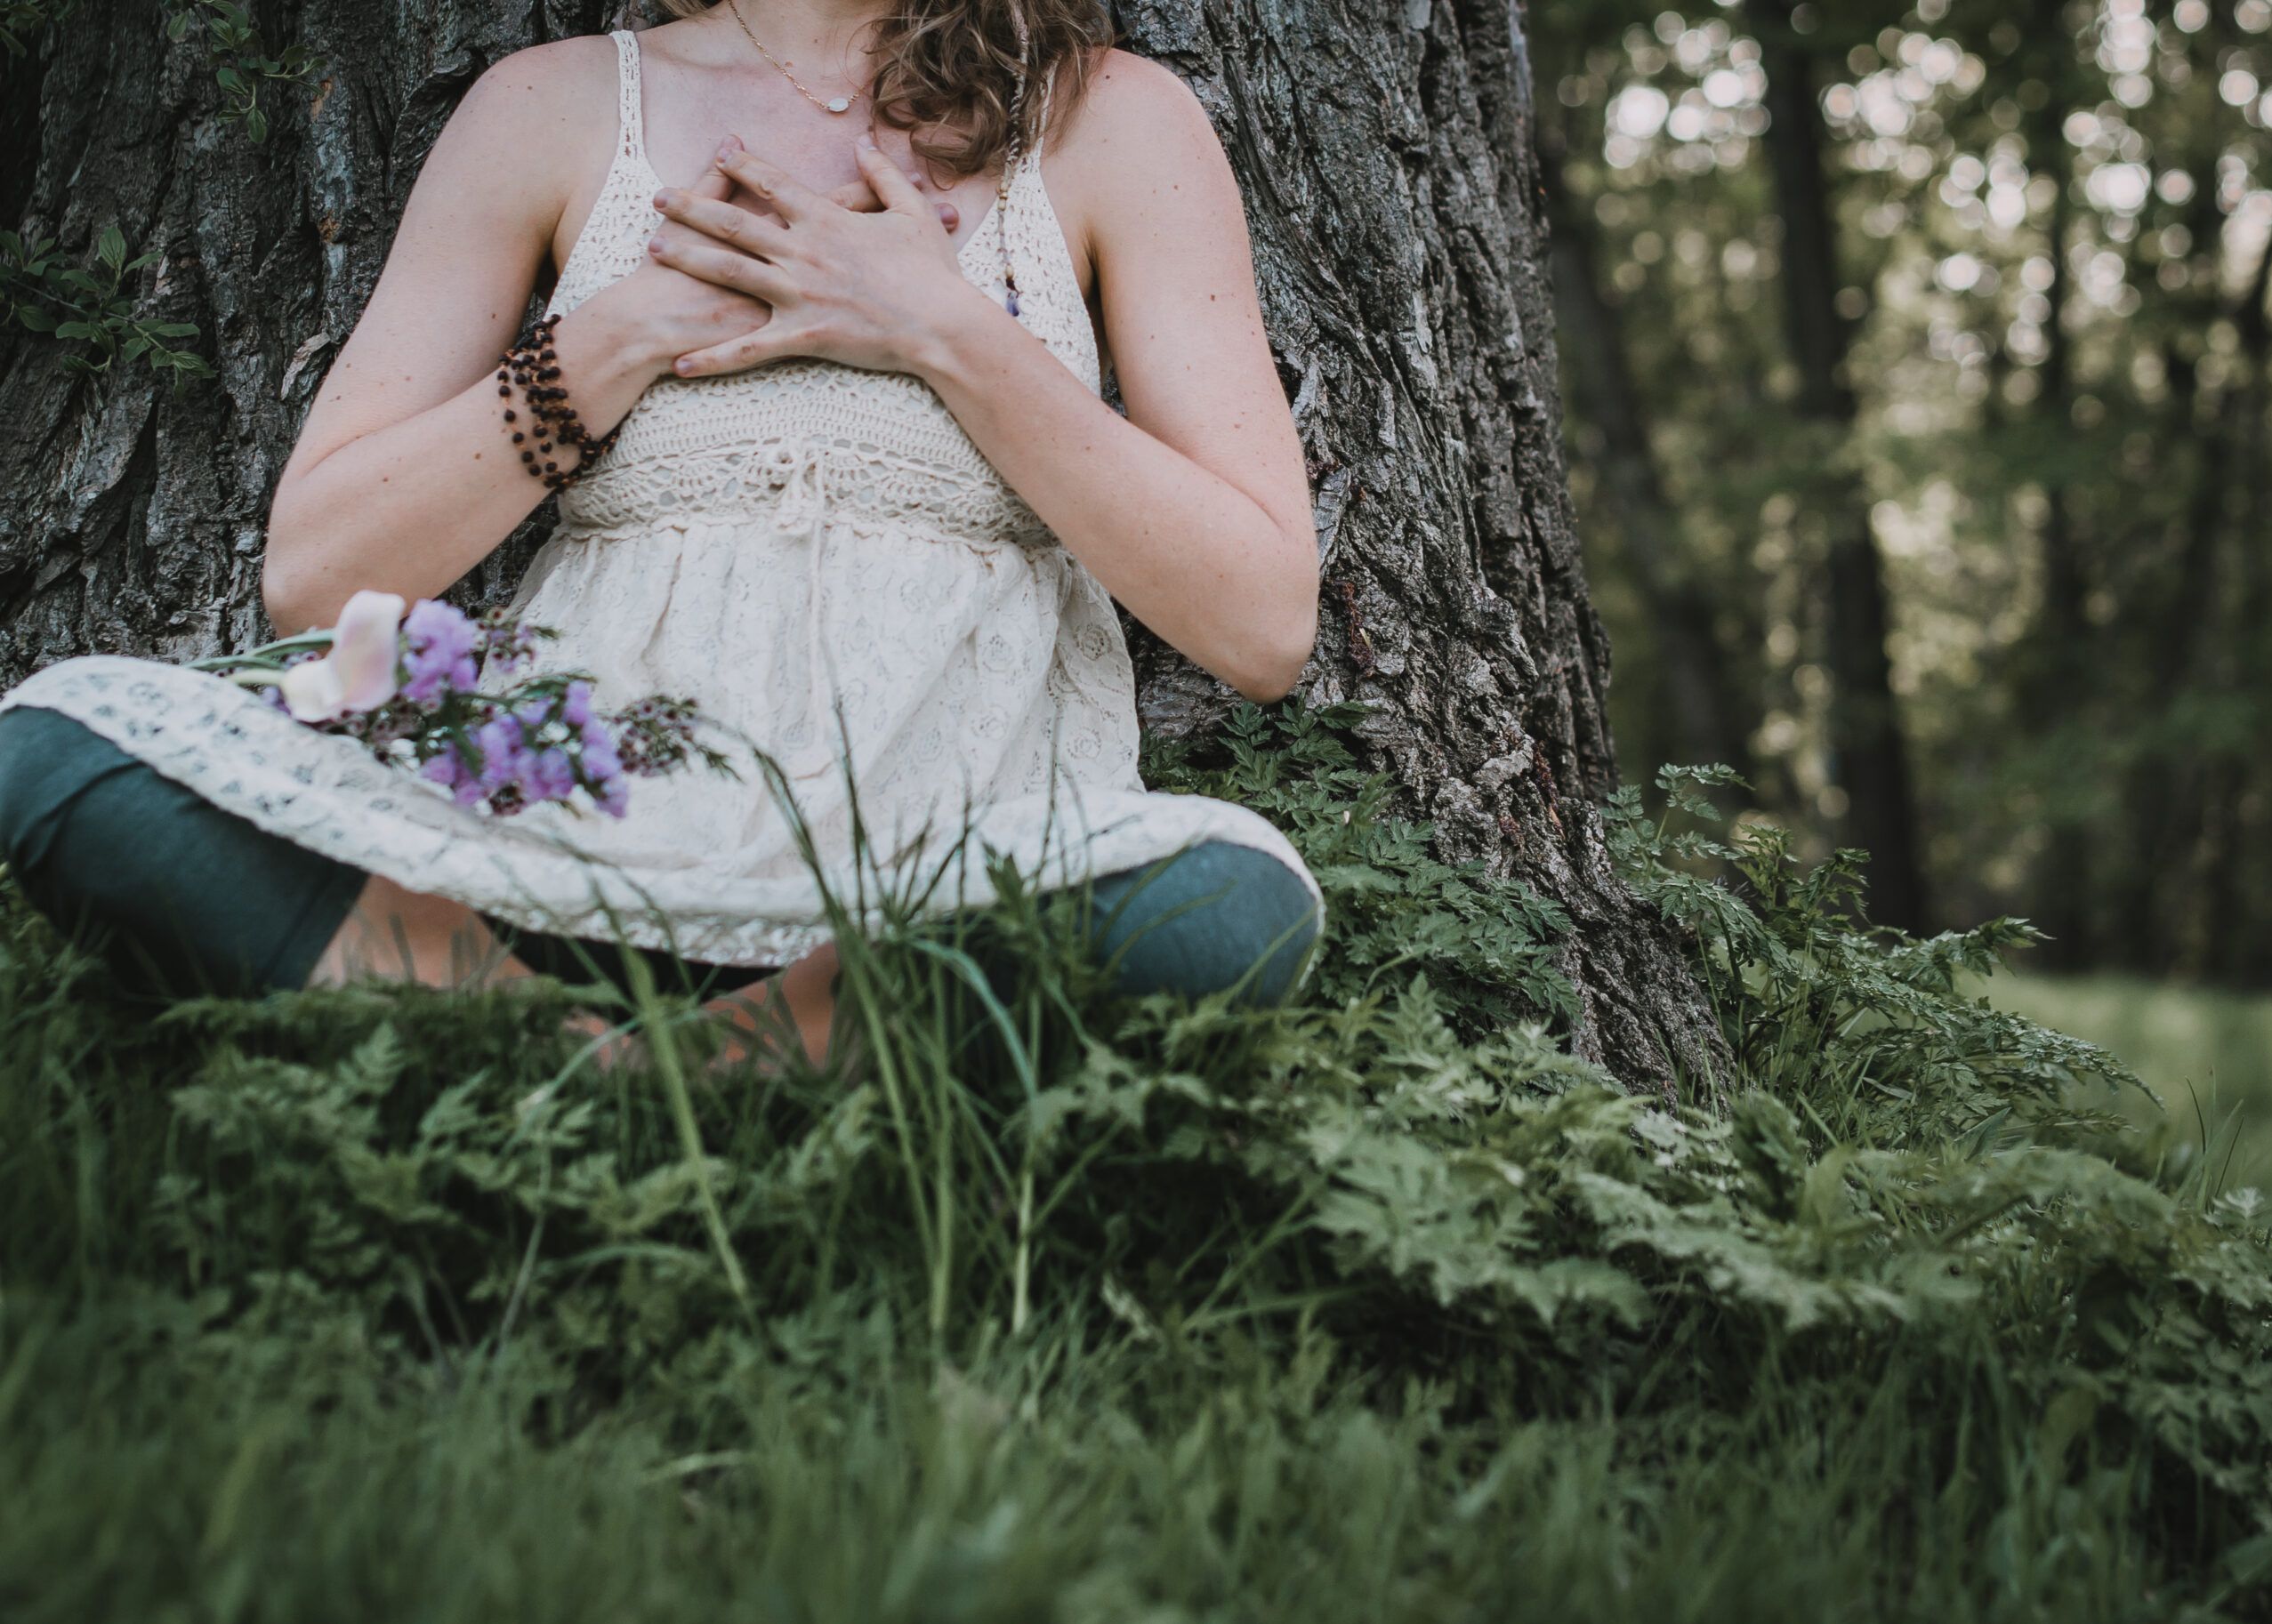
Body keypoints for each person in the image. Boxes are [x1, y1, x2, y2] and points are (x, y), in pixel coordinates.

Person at [0, 0, 1323, 1066]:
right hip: (540, 869)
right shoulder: (553, 105)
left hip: (929, 902)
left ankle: (655, 1074)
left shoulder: (1112, 120)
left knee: (1225, 907)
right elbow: (318, 568)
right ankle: (553, 1029)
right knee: (57, 748)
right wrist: (625, 333)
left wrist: (944, 329)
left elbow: (1261, 621)